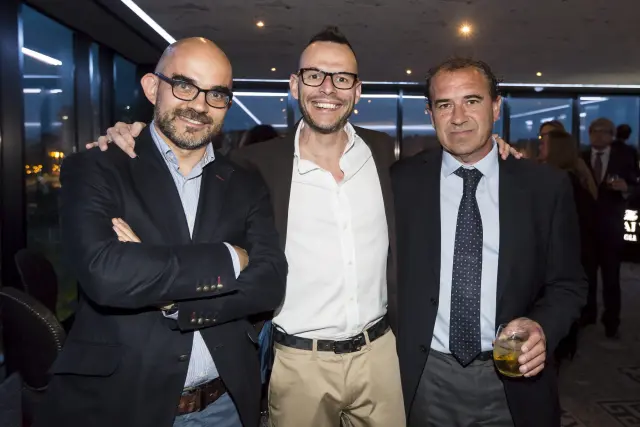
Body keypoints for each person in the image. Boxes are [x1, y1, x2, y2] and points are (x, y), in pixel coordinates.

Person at [88, 28, 518, 427]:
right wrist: (137, 133)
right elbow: (185, 161)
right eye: (315, 76)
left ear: (357, 91)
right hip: (297, 364)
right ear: (295, 85)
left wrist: (491, 148)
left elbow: (453, 157)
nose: (328, 89)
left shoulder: (383, 153)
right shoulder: (255, 166)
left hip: (380, 356)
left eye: (342, 78)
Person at [35, 37, 287, 427]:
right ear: (153, 88)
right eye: (185, 85)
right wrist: (230, 257)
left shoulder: (245, 181)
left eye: (216, 94)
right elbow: (107, 274)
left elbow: (269, 283)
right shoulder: (97, 167)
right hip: (122, 403)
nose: (200, 105)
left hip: (227, 404)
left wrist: (171, 299)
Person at [392, 58, 587, 427]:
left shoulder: (544, 187)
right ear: (430, 115)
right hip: (423, 376)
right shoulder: (400, 182)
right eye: (444, 105)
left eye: (472, 101)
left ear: (496, 107)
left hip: (515, 377)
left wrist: (542, 326)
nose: (458, 117)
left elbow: (568, 283)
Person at [581, 117, 639, 337]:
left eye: (603, 131)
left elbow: (635, 186)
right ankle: (588, 315)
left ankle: (611, 321)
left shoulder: (624, 157)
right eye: (594, 131)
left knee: (611, 279)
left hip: (611, 228)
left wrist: (626, 188)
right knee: (587, 277)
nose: (597, 134)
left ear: (611, 135)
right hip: (586, 229)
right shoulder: (581, 157)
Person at [544, 130, 597, 360]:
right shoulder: (574, 178)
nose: (539, 147)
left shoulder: (561, 183)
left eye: (544, 143)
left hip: (568, 256)